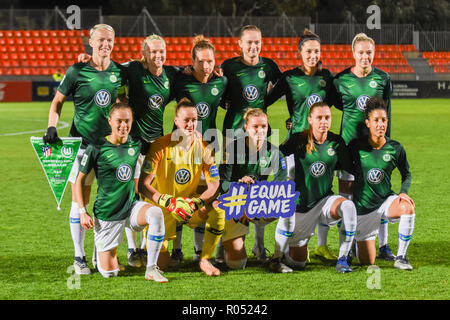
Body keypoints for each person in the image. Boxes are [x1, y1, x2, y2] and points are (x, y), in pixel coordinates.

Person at [43, 24, 127, 275]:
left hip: (110, 149)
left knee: (107, 201)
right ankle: (79, 256)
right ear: (90, 42)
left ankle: (99, 250)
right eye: (101, 40)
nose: (105, 44)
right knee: (81, 200)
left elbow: (123, 102)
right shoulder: (76, 71)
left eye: (110, 40)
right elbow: (57, 101)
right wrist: (51, 126)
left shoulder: (119, 72)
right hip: (82, 146)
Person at [265, 28, 336, 261]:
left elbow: (339, 103)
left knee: (321, 188)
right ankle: (281, 245)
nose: (312, 55)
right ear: (300, 53)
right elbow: (265, 100)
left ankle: (322, 245)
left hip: (321, 145)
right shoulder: (289, 78)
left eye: (316, 51)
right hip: (295, 145)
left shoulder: (327, 78)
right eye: (308, 51)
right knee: (290, 192)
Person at [75, 102, 167, 282]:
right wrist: (82, 212)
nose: (123, 126)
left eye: (127, 121)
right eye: (119, 121)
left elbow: (159, 145)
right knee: (110, 273)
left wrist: (186, 132)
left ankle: (151, 269)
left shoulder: (136, 143)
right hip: (107, 213)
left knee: (156, 213)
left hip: (131, 207)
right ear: (110, 121)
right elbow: (79, 180)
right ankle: (102, 250)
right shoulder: (97, 147)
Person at [138, 98, 225, 276]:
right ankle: (150, 251)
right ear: (176, 121)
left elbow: (214, 184)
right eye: (186, 120)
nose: (191, 124)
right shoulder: (160, 146)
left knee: (218, 209)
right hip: (162, 208)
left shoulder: (205, 148)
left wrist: (197, 203)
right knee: (161, 265)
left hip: (189, 205)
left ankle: (205, 259)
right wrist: (167, 202)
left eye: (194, 120)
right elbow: (143, 185)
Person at [219, 25, 283, 262]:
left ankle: (258, 244)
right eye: (249, 42)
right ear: (240, 44)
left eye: (257, 42)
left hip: (260, 131)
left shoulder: (269, 66)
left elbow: (282, 86)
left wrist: (267, 101)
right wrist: (224, 104)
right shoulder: (229, 66)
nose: (254, 46)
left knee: (261, 183)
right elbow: (216, 92)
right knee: (231, 185)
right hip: (232, 133)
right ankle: (224, 241)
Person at [330, 33, 394, 261]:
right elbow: (327, 106)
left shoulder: (384, 79)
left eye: (369, 52)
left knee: (378, 195)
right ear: (353, 53)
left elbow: (388, 115)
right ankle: (345, 251)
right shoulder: (340, 80)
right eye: (361, 52)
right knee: (346, 199)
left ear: (373, 53)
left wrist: (386, 146)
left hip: (374, 149)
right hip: (348, 148)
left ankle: (384, 246)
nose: (365, 56)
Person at [275, 102, 357, 273]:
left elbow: (351, 168)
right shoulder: (298, 139)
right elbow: (276, 154)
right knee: (298, 263)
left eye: (327, 117)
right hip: (302, 206)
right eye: (319, 117)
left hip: (325, 201)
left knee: (348, 206)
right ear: (310, 119)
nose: (323, 121)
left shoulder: (336, 142)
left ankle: (343, 259)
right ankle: (278, 257)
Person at [170, 35, 228, 264]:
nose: (206, 66)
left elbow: (229, 102)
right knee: (179, 193)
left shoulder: (220, 82)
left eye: (210, 61)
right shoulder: (180, 80)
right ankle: (176, 249)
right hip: (181, 146)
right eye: (201, 61)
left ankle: (198, 251)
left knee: (205, 196)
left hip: (208, 146)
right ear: (192, 62)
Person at [349, 97, 415, 270]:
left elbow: (406, 173)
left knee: (407, 207)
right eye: (376, 120)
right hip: (364, 209)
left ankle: (401, 257)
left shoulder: (395, 148)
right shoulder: (356, 147)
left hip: (386, 201)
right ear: (367, 123)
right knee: (368, 262)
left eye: (384, 120)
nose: (381, 124)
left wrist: (403, 192)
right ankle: (356, 243)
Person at [219, 108, 288, 270]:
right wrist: (239, 184)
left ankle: (277, 258)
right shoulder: (232, 149)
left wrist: (262, 192)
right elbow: (222, 185)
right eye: (255, 127)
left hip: (259, 202)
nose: (260, 131)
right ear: (245, 127)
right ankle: (223, 245)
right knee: (236, 264)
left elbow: (281, 186)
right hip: (237, 203)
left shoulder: (275, 152)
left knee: (287, 206)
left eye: (263, 126)